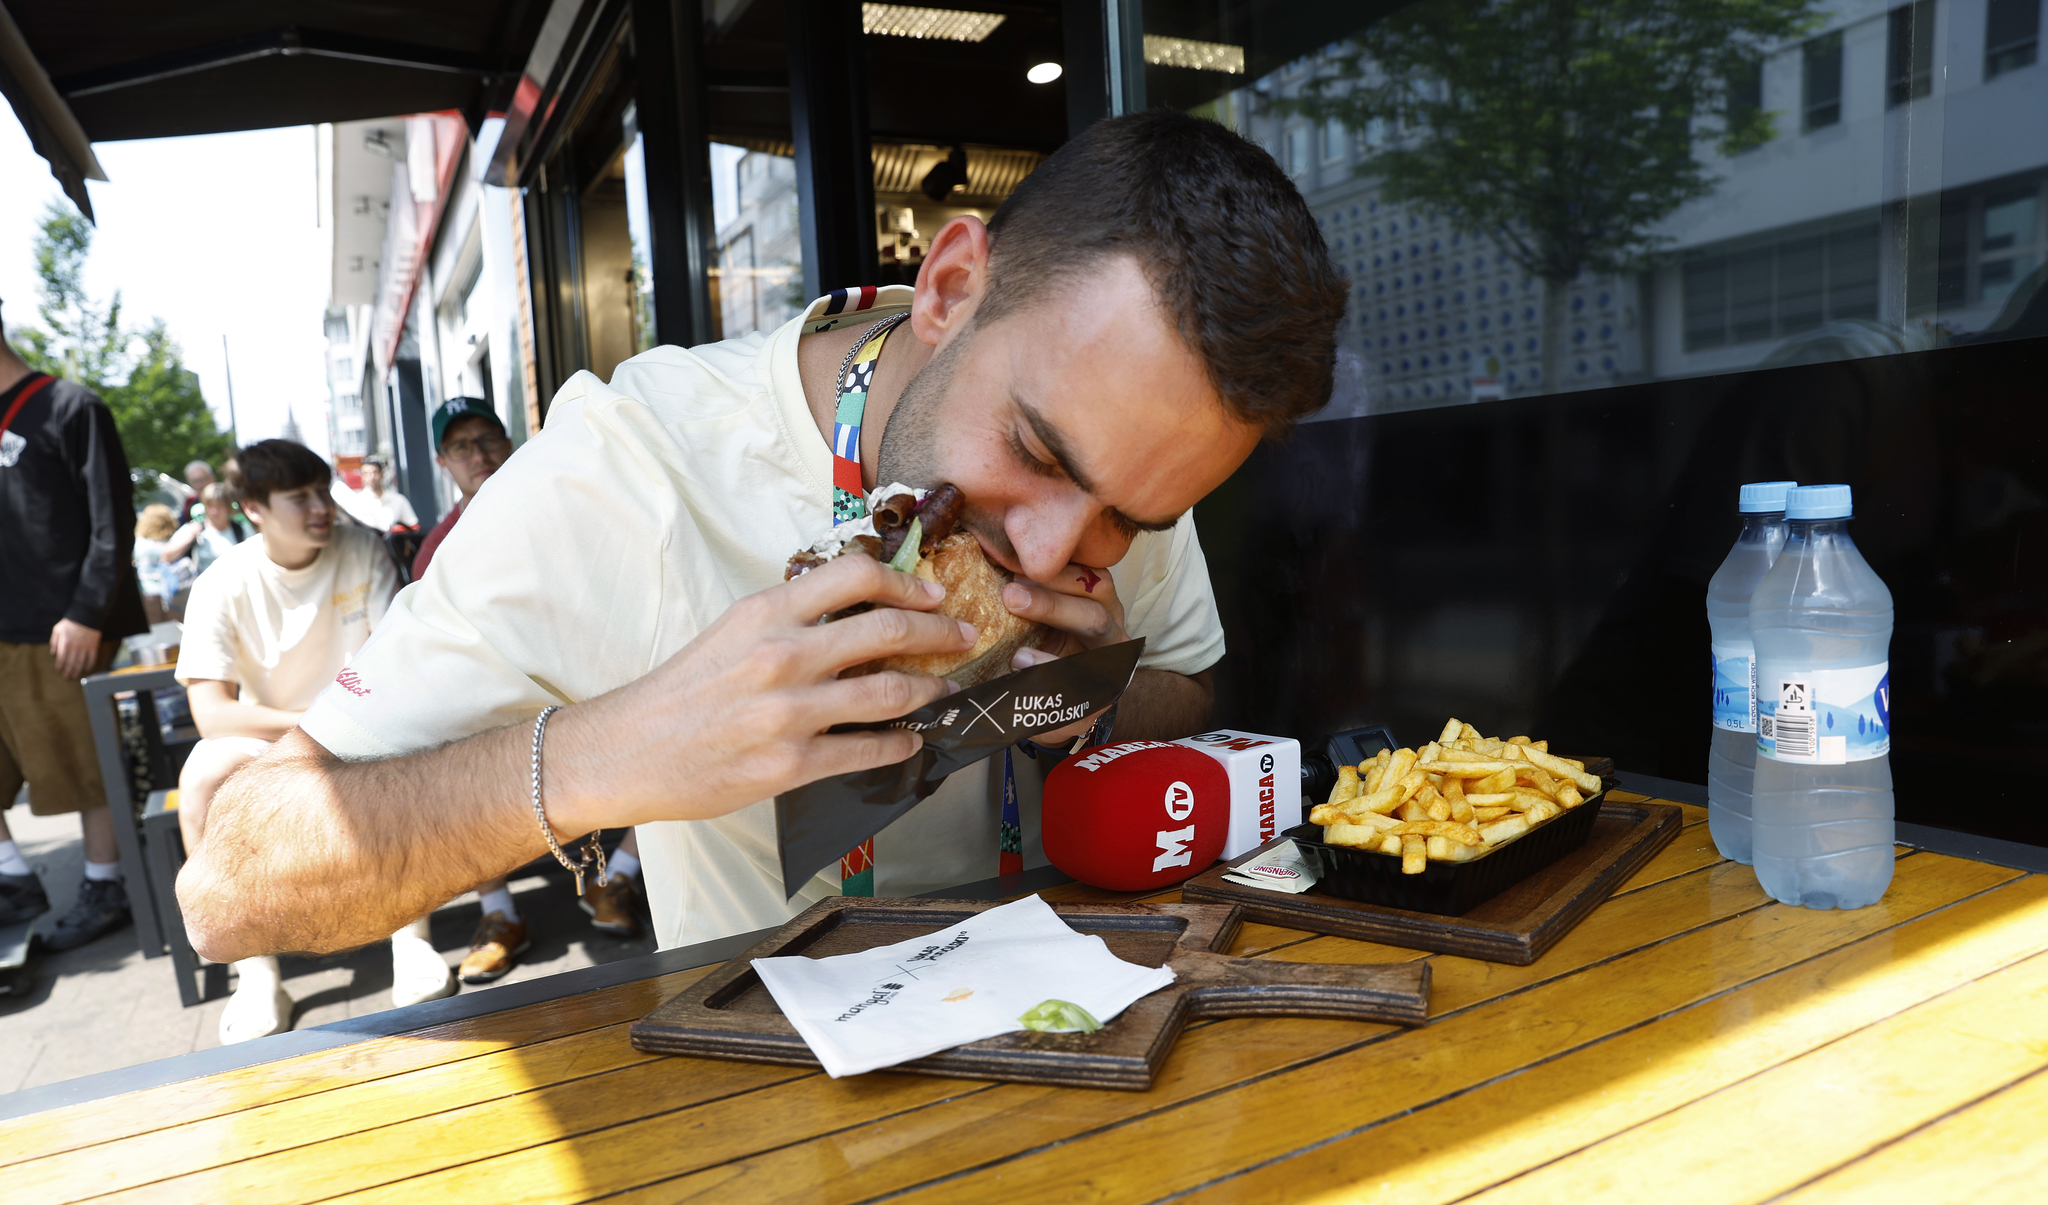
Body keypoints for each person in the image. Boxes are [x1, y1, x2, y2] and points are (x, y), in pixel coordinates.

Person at [180, 113, 1345, 964]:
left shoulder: (1132, 455)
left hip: (1080, 1016)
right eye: (1037, 453)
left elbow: (1185, 686)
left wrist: (1084, 704)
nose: (1051, 551)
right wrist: (611, 753)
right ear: (945, 288)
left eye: (1123, 520)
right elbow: (235, 882)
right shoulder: (634, 468)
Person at [171, 439, 444, 1042]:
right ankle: (256, 972)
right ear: (255, 508)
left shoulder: (360, 550)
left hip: (358, 717)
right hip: (272, 734)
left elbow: (385, 664)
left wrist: (332, 712)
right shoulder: (224, 582)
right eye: (300, 498)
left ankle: (412, 938)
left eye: (324, 491)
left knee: (405, 740)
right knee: (202, 775)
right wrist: (303, 718)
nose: (321, 507)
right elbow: (212, 714)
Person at [409, 397, 648, 979]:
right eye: (461, 446)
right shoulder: (437, 549)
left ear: (510, 439)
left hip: (582, 670)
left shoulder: (558, 503)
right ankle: (498, 914)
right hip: (496, 692)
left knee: (663, 700)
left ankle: (615, 879)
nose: (479, 454)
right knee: (444, 748)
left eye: (487, 437)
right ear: (443, 461)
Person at [0, 296, 150, 946]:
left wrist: (87, 612)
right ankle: (12, 877)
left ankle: (105, 881)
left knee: (80, 760)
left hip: (60, 625)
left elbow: (111, 521)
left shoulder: (70, 406)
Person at [164, 481, 254, 577]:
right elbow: (166, 556)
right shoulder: (194, 529)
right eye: (210, 505)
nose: (214, 511)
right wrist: (187, 540)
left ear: (228, 507)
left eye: (219, 506)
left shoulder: (242, 529)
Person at [132, 503, 187, 622]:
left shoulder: (139, 544)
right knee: (174, 634)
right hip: (171, 594)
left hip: (145, 593)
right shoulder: (171, 544)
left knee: (154, 635)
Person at [337, 455, 419, 532]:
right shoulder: (357, 503)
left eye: (374, 472)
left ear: (382, 474)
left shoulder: (399, 500)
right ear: (362, 477)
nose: (371, 477)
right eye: (366, 473)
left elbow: (413, 526)